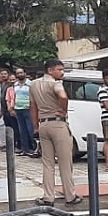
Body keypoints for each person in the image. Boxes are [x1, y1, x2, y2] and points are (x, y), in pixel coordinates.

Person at [30, 59, 80, 207]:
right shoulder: (56, 83)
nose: (62, 72)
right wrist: (63, 110)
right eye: (59, 69)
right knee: (65, 162)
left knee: (47, 163)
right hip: (58, 123)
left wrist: (35, 126)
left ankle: (48, 197)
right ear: (50, 70)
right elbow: (63, 96)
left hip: (43, 124)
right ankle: (70, 196)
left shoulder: (33, 84)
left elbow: (32, 107)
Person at [8, 68, 36, 156]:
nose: (19, 74)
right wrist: (12, 107)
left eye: (21, 73)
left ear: (25, 73)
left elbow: (34, 96)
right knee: (21, 130)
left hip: (28, 109)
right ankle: (25, 149)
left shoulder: (30, 84)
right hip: (18, 109)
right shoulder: (15, 85)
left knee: (30, 130)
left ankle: (34, 148)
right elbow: (14, 97)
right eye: (18, 73)